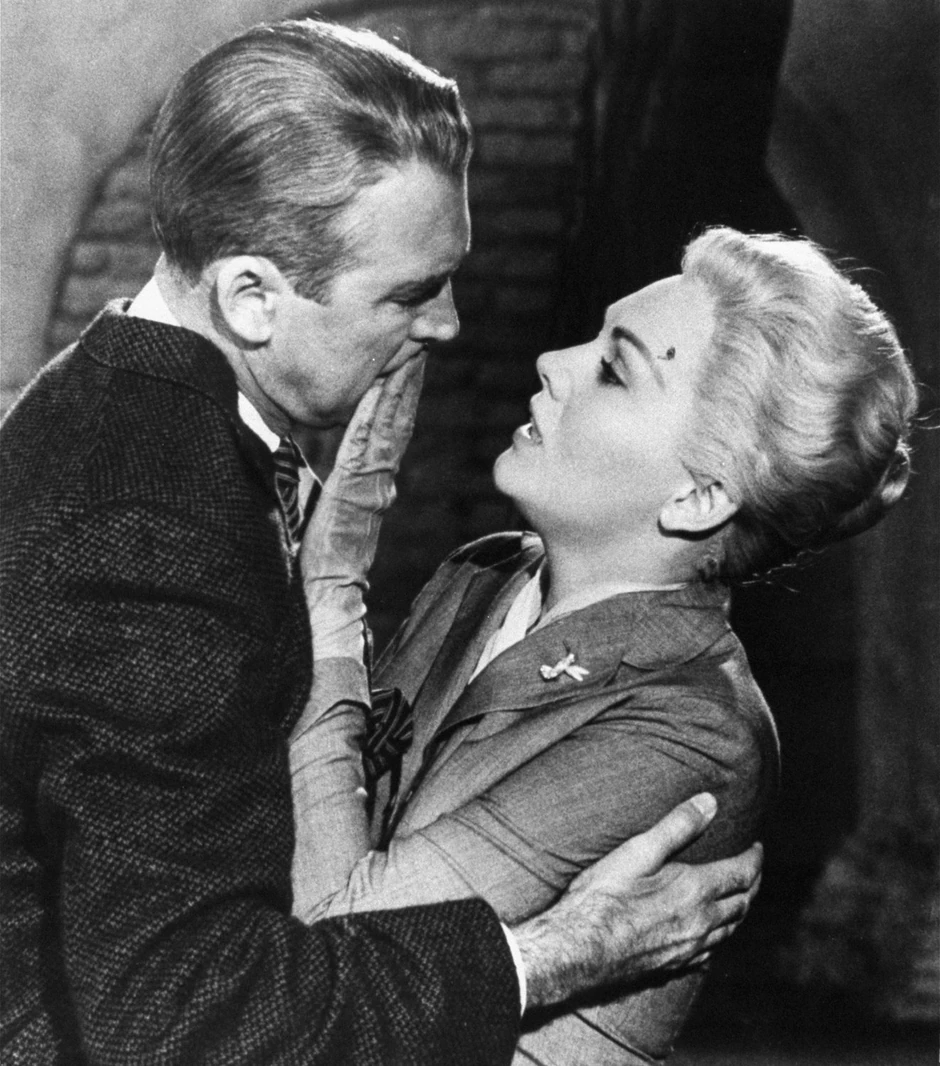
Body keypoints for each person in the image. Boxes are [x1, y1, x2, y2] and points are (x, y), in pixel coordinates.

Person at [0, 20, 763, 1066]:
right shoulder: (148, 530)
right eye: (407, 293)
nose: (446, 324)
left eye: (447, 276)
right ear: (252, 298)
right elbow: (180, 1016)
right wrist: (552, 955)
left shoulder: (132, 408)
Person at [289, 227, 918, 1063]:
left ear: (699, 497)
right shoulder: (483, 575)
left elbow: (334, 949)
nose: (554, 362)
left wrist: (332, 590)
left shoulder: (694, 726)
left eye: (616, 369)